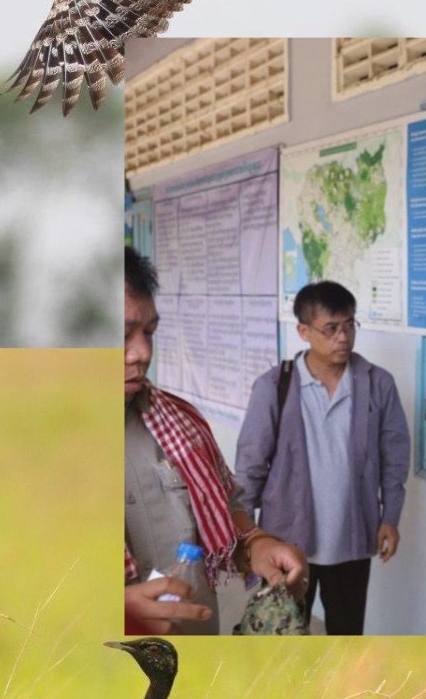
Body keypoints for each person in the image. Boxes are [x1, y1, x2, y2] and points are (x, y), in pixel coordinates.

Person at [124, 246, 306, 633]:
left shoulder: (180, 422)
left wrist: (255, 544)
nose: (141, 352)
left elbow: (225, 504)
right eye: (121, 335)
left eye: (149, 332)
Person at [233, 280, 410, 636]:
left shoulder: (377, 384)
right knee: (279, 638)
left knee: (346, 636)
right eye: (331, 328)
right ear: (304, 331)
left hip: (353, 538)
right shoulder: (274, 387)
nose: (342, 337)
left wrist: (390, 517)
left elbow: (395, 456)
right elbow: (251, 466)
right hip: (285, 540)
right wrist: (244, 537)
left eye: (349, 325)